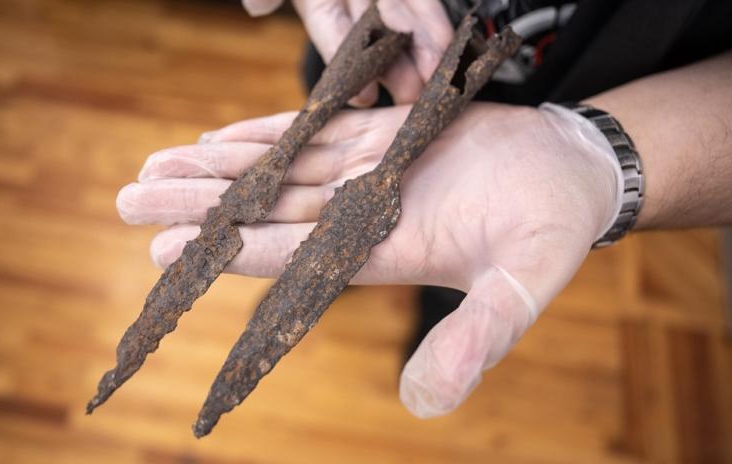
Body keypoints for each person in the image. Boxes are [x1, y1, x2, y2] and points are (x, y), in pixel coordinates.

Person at [115, 0, 732, 419]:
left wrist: (599, 152)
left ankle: (434, 307)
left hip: (576, 101)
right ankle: (334, 280)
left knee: (457, 259)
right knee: (322, 188)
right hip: (376, 50)